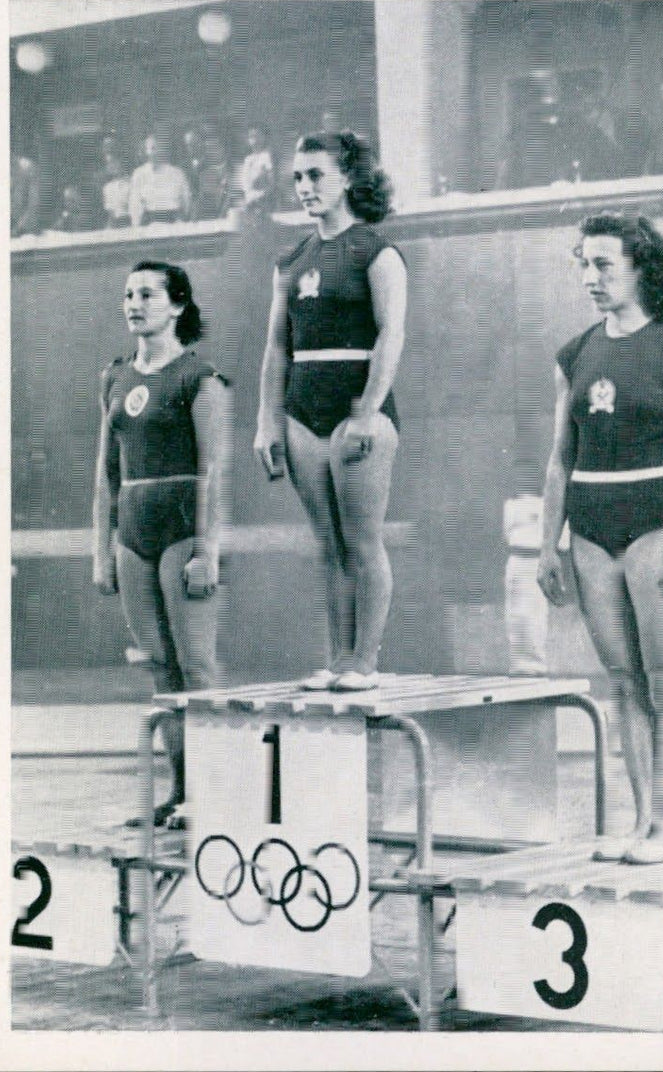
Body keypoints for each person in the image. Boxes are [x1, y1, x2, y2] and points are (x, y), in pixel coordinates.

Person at [537, 213, 663, 864]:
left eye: (604, 264)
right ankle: (642, 822)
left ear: (640, 267)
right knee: (621, 683)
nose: (591, 277)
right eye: (583, 264)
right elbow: (559, 458)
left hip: (655, 518)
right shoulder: (576, 353)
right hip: (589, 522)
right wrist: (546, 544)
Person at [254, 130, 406, 691]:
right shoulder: (291, 260)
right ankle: (337, 659)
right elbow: (276, 347)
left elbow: (392, 334)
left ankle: (364, 662)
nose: (304, 187)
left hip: (356, 411)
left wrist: (367, 411)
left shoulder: (376, 250)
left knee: (362, 540)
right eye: (297, 177)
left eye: (315, 174)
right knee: (328, 544)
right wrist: (267, 419)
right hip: (301, 413)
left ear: (349, 179)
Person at [92, 261, 230, 827]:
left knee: (195, 664)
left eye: (147, 294)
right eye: (128, 294)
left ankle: (217, 790)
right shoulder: (115, 378)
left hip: (182, 532)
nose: (134, 303)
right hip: (133, 534)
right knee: (158, 667)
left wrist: (208, 551)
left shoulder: (200, 378)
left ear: (176, 305)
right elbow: (105, 473)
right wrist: (101, 548)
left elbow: (214, 472)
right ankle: (180, 791)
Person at [128, 133, 192, 226]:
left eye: (157, 148)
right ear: (146, 151)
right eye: (151, 149)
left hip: (175, 224)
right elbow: (135, 204)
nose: (154, 153)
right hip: (150, 224)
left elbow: (186, 202)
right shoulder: (139, 174)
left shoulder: (177, 173)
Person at [230, 124, 275, 214]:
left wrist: (258, 197)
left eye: (258, 136)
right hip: (247, 201)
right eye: (251, 137)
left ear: (264, 137)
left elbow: (272, 185)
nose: (255, 140)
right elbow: (245, 185)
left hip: (262, 203)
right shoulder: (248, 159)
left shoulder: (267, 156)